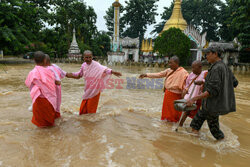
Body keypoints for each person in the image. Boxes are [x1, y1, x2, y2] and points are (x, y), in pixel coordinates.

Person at [186, 45, 238, 140]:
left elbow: (212, 91)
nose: (206, 57)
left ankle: (223, 148)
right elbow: (234, 83)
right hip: (208, 105)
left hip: (212, 106)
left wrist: (193, 98)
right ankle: (194, 146)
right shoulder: (225, 67)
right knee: (195, 124)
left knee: (215, 132)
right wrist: (204, 82)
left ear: (215, 54)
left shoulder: (216, 68)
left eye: (208, 54)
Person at [66, 50, 122, 115]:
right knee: (82, 111)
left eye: (90, 57)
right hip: (87, 90)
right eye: (86, 57)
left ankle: (91, 123)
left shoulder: (96, 64)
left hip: (95, 90)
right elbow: (79, 75)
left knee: (91, 112)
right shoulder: (83, 65)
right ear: (83, 58)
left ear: (92, 57)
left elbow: (105, 70)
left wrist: (113, 72)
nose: (88, 59)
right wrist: (68, 75)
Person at [139, 56, 189, 122]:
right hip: (168, 93)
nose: (169, 64)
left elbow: (188, 84)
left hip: (177, 95)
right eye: (169, 63)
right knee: (166, 112)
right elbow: (159, 74)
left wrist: (185, 91)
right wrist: (146, 75)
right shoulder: (169, 70)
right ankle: (166, 124)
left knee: (175, 113)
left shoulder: (184, 72)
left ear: (176, 63)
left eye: (171, 63)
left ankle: (174, 123)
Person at [25, 51, 59, 127]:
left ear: (34, 60)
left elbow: (28, 84)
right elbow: (56, 83)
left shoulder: (32, 72)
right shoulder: (50, 71)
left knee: (40, 124)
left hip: (38, 98)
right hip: (49, 99)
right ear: (45, 60)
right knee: (49, 123)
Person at [178, 60, 208, 126]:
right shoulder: (191, 74)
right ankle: (181, 125)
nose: (192, 69)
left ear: (200, 67)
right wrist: (185, 90)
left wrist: (202, 82)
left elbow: (209, 82)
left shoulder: (205, 74)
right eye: (192, 67)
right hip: (191, 97)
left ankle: (195, 127)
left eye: (194, 67)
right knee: (186, 111)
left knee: (199, 115)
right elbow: (187, 84)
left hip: (200, 98)